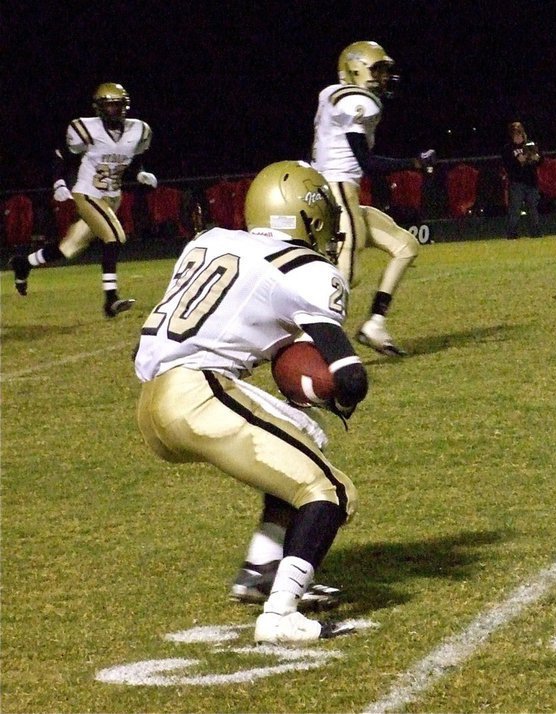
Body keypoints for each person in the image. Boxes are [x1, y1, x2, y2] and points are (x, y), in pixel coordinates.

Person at [134, 160, 369, 644]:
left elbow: (238, 318)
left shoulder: (209, 241)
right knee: (331, 492)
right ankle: (281, 613)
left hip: (155, 401)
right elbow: (350, 375)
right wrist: (326, 389)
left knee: (298, 443)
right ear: (308, 216)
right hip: (202, 394)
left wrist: (287, 365)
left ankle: (261, 570)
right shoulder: (307, 268)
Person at [311, 40, 436, 357]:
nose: (383, 78)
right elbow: (365, 160)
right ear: (355, 70)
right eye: (377, 70)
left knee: (406, 246)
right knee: (345, 273)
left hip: (337, 188)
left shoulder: (332, 94)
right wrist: (414, 163)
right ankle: (313, 345)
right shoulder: (358, 102)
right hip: (336, 188)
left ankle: (374, 324)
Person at [8, 82, 157, 317]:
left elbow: (134, 156)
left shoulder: (139, 130)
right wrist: (58, 182)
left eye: (117, 106)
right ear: (98, 108)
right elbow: (61, 156)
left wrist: (139, 172)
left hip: (112, 197)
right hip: (87, 193)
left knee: (68, 248)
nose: (113, 111)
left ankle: (23, 263)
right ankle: (110, 299)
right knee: (114, 237)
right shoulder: (86, 128)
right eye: (108, 107)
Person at [501, 120, 543, 239]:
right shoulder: (508, 148)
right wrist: (518, 161)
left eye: (520, 133)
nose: (518, 136)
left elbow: (540, 160)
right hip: (517, 182)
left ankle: (535, 231)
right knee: (515, 209)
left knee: (533, 208)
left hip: (531, 181)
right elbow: (507, 165)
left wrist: (536, 158)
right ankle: (512, 233)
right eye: (516, 134)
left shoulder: (530, 144)